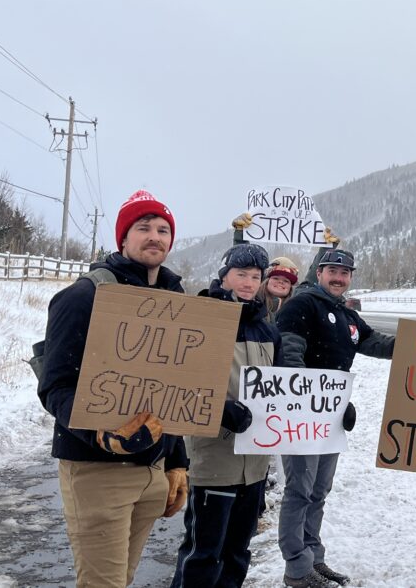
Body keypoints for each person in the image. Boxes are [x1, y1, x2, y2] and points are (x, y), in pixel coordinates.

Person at [37, 190, 189, 588]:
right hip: (96, 470)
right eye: (143, 228)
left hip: (152, 470)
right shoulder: (83, 296)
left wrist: (177, 461)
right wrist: (101, 434)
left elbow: (174, 391)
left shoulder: (177, 301)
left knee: (122, 579)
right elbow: (55, 387)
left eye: (163, 229)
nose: (154, 236)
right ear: (123, 238)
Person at [274, 248, 395, 588]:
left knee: (318, 491)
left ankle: (314, 558)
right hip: (300, 417)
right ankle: (296, 568)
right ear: (319, 272)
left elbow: (376, 342)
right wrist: (307, 402)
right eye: (332, 271)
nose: (339, 278)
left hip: (329, 418)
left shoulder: (345, 314)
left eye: (345, 273)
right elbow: (290, 357)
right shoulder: (302, 304)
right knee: (299, 490)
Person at [170, 243, 282, 587]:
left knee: (237, 552)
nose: (249, 282)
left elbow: (284, 386)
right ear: (224, 276)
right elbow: (180, 380)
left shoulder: (266, 327)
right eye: (241, 275)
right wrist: (221, 410)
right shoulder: (203, 318)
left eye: (255, 276)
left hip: (255, 464)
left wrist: (330, 412)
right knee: (203, 553)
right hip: (215, 459)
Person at [259, 257, 300, 322]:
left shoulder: (297, 311)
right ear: (266, 281)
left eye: (286, 281)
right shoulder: (253, 304)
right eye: (276, 278)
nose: (281, 282)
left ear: (290, 287)